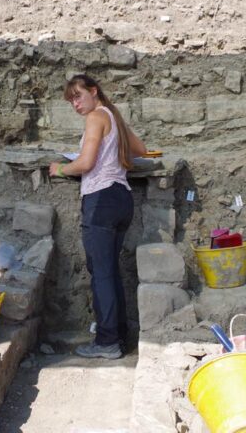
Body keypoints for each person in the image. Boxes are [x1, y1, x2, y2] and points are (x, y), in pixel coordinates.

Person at [49, 74, 146, 359]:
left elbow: (87, 162)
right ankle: (118, 336)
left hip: (101, 199)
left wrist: (61, 169)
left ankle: (106, 342)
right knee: (109, 271)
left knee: (101, 273)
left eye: (78, 96)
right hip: (121, 198)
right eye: (71, 101)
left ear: (94, 91)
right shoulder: (112, 116)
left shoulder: (95, 117)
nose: (76, 104)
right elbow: (140, 149)